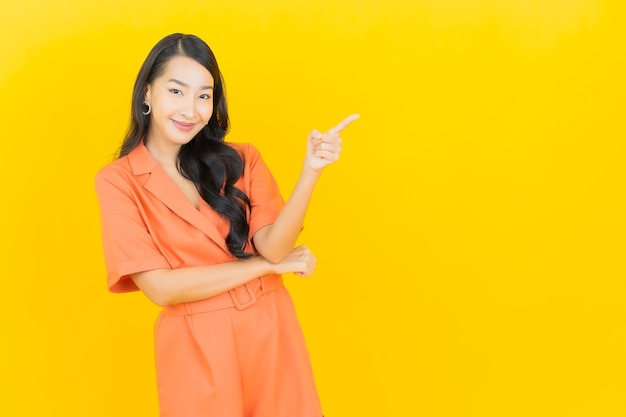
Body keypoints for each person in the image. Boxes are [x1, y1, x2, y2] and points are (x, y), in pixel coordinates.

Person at [94, 32, 358, 417]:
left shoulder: (242, 159)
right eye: (177, 91)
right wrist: (265, 268)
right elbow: (162, 289)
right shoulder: (118, 180)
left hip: (271, 329)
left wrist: (311, 172)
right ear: (147, 93)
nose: (191, 109)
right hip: (195, 346)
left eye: (204, 96)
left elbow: (275, 247)